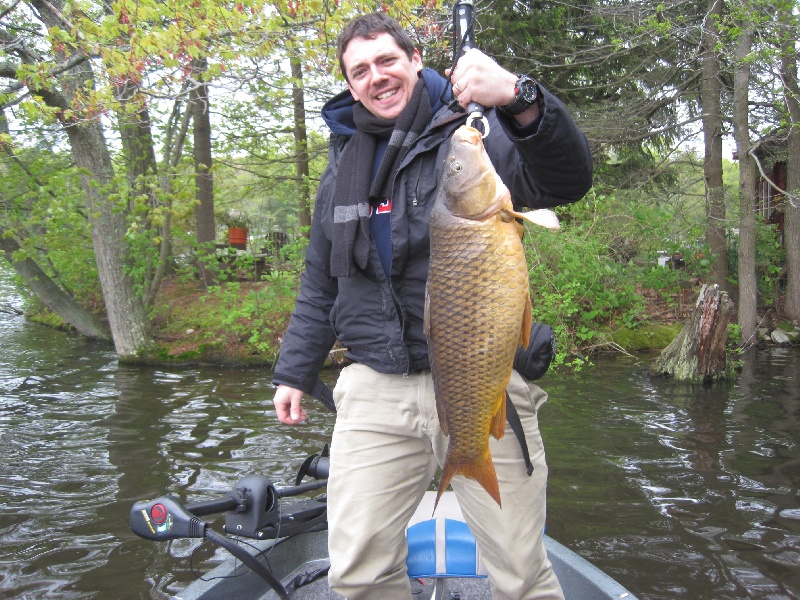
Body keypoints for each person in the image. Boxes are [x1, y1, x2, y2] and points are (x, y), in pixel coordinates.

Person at [271, 12, 592, 599]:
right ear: (349, 84)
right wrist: (295, 370)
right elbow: (321, 279)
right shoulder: (343, 164)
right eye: (360, 70)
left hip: (484, 377)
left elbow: (567, 179)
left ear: (416, 60)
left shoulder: (474, 132)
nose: (377, 77)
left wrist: (520, 98)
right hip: (374, 385)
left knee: (522, 572)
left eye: (387, 60)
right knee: (359, 573)